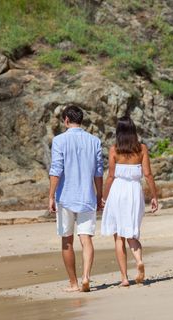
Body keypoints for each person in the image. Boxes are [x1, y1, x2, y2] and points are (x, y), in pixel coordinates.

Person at [48, 105, 103, 292]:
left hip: (65, 196)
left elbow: (56, 170)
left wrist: (50, 196)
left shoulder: (59, 141)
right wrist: (100, 194)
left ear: (65, 120)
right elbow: (98, 172)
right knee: (86, 239)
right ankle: (86, 276)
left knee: (67, 240)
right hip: (87, 196)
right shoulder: (94, 141)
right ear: (81, 120)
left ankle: (74, 283)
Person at [101, 116, 158, 287]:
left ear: (118, 132)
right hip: (134, 191)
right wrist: (154, 196)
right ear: (133, 130)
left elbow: (110, 176)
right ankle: (138, 260)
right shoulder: (141, 149)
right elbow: (148, 174)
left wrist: (103, 197)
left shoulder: (114, 150)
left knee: (119, 236)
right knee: (132, 232)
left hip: (118, 191)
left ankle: (124, 278)